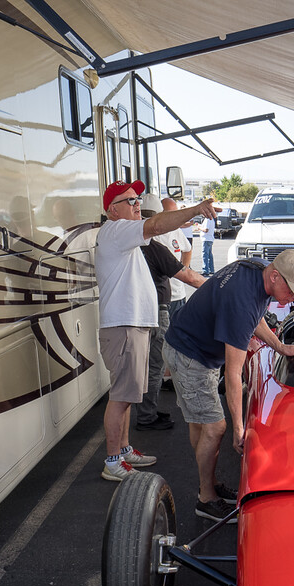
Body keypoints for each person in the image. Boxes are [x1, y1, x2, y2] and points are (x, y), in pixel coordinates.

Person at [162, 248, 294, 522]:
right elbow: (234, 375)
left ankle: (207, 482)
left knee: (200, 422)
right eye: (291, 291)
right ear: (275, 277)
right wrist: (238, 428)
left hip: (194, 348)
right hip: (189, 355)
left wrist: (279, 346)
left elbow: (255, 317)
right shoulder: (241, 302)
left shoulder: (258, 270)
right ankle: (206, 498)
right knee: (215, 427)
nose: (293, 298)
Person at [96, 178, 217, 481]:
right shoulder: (117, 231)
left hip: (130, 325)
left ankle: (123, 451)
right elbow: (157, 225)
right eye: (130, 201)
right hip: (124, 326)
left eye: (138, 200)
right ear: (112, 211)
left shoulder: (123, 236)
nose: (138, 205)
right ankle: (112, 461)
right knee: (121, 397)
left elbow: (156, 231)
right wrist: (195, 210)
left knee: (126, 395)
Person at [136, 194, 207, 431]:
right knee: (154, 366)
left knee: (142, 366)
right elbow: (187, 275)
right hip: (155, 311)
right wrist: (217, 287)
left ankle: (146, 411)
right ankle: (147, 416)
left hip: (137, 312)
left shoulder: (127, 243)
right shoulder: (153, 247)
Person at [198, 211, 216, 275]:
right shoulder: (211, 219)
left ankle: (205, 270)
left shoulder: (207, 219)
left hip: (206, 239)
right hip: (210, 239)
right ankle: (211, 269)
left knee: (205, 255)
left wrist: (199, 227)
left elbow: (206, 230)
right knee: (209, 255)